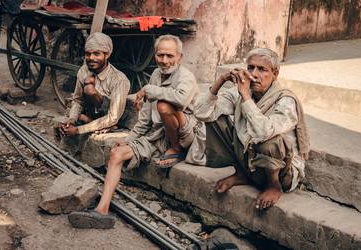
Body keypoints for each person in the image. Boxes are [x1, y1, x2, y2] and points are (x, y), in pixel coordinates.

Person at [68, 34, 205, 229]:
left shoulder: (185, 77)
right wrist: (129, 139)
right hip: (158, 136)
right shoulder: (157, 75)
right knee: (116, 153)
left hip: (185, 135)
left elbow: (180, 101)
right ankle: (101, 211)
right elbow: (145, 118)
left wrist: (148, 89)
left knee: (165, 106)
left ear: (179, 57)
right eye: (160, 55)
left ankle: (176, 150)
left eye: (169, 56)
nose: (164, 61)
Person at [194, 48, 310, 210]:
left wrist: (246, 98)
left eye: (262, 69)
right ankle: (242, 173)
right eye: (250, 68)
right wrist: (221, 81)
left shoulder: (285, 100)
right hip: (251, 163)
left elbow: (263, 132)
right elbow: (201, 113)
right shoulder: (240, 92)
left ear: (275, 74)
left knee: (268, 139)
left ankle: (273, 186)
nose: (254, 74)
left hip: (283, 173)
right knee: (214, 118)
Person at [59, 32, 130, 140]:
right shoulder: (83, 71)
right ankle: (86, 119)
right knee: (88, 87)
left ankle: (88, 121)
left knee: (90, 89)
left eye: (97, 54)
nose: (91, 58)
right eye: (88, 54)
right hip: (93, 115)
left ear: (107, 55)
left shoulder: (119, 79)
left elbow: (113, 117)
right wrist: (72, 121)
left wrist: (78, 130)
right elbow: (78, 100)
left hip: (112, 119)